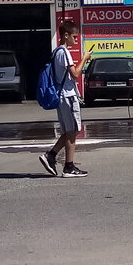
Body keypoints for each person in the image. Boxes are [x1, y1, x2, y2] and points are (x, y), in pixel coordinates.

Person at [39, 21, 93, 177]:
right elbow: (75, 74)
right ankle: (68, 167)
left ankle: (51, 156)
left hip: (63, 96)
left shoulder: (57, 52)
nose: (76, 40)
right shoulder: (64, 52)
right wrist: (84, 58)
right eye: (74, 37)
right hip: (67, 96)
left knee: (70, 130)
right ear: (66, 35)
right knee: (72, 131)